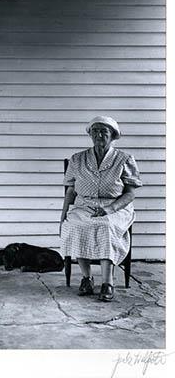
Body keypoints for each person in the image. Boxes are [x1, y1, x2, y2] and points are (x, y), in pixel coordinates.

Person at [60, 116, 142, 302]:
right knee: (76, 225)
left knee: (105, 227)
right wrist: (63, 215)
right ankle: (86, 278)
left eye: (104, 132)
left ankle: (107, 282)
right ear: (90, 134)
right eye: (95, 131)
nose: (99, 135)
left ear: (112, 136)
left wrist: (110, 208)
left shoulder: (124, 159)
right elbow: (71, 191)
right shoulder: (78, 159)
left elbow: (130, 193)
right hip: (84, 205)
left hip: (115, 207)